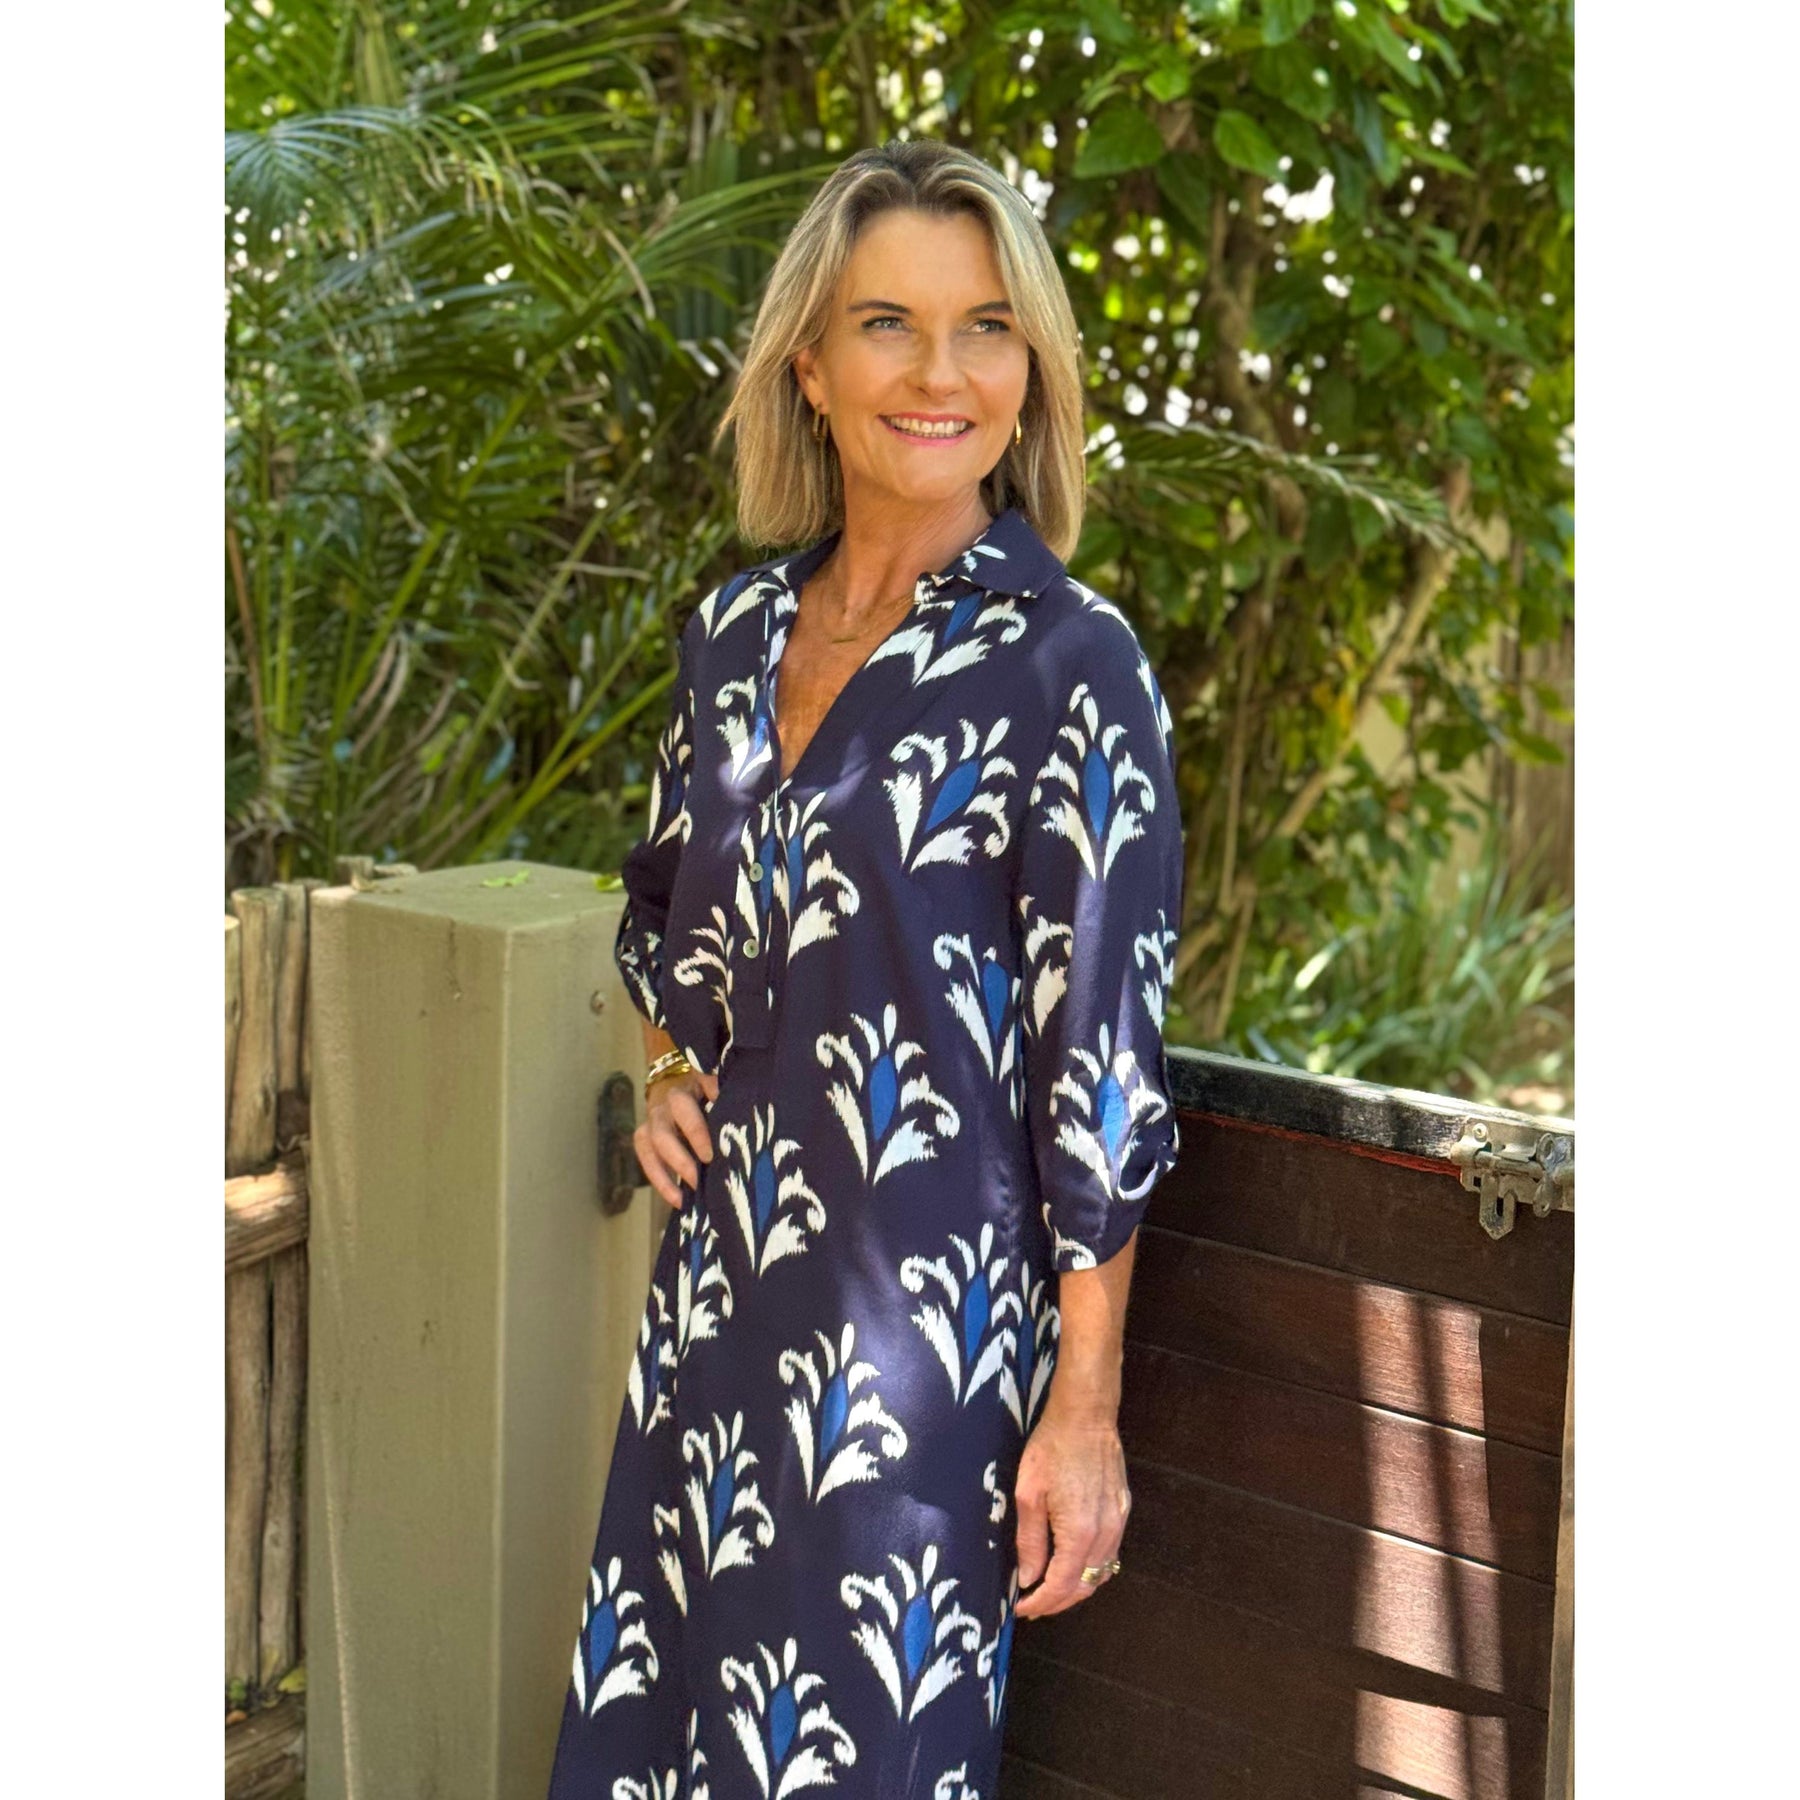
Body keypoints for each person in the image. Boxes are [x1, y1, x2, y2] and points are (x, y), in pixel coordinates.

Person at [547, 137, 1184, 1800]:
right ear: (810, 367)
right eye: (888, 323)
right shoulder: (734, 637)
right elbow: (673, 923)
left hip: (918, 1366)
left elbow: (1104, 1075)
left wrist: (1084, 1412)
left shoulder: (1072, 668)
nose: (940, 373)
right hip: (712, 1324)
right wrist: (671, 1070)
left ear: (1032, 374)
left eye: (988, 328)